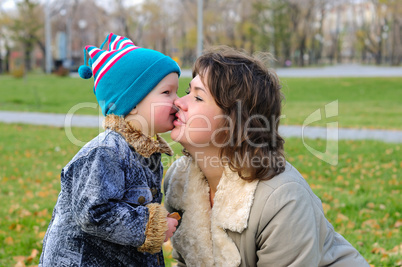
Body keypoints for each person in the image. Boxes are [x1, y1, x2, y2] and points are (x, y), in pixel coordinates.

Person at [164, 46, 369, 266]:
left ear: (235, 122)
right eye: (188, 92)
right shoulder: (179, 180)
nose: (179, 102)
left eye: (198, 98)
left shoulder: (282, 199)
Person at [39, 33, 180, 267]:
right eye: (167, 93)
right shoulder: (106, 151)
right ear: (132, 103)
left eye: (177, 91)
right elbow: (93, 212)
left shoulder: (145, 152)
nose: (177, 101)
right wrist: (151, 225)